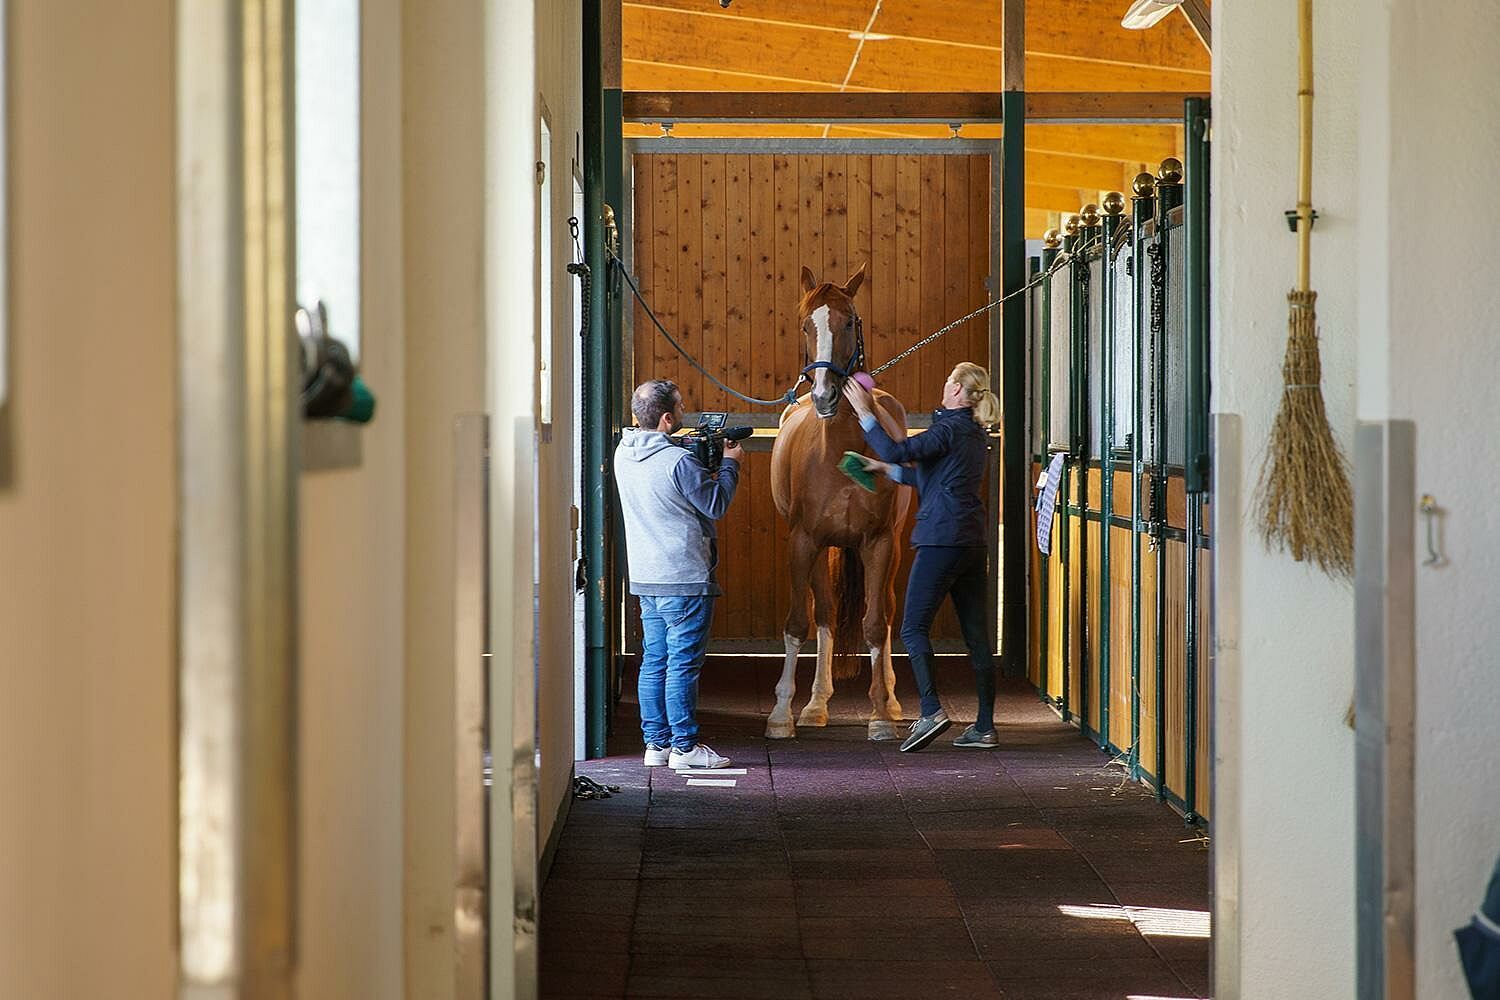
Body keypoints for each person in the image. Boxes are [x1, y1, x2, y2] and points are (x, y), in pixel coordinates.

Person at [842, 362, 1002, 752]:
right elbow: (928, 477)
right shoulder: (973, 433)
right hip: (970, 541)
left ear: (959, 391)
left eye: (949, 380)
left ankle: (930, 711)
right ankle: (984, 727)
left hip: (940, 539)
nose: (944, 385)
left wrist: (865, 413)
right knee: (977, 636)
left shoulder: (947, 428)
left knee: (913, 628)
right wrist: (884, 469)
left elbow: (898, 449)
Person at [614, 379, 743, 770]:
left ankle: (656, 745)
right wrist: (730, 464)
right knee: (683, 665)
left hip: (646, 575)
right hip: (685, 576)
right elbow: (715, 504)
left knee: (654, 661)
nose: (686, 411)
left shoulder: (623, 453)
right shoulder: (679, 462)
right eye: (682, 406)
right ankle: (685, 748)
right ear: (668, 418)